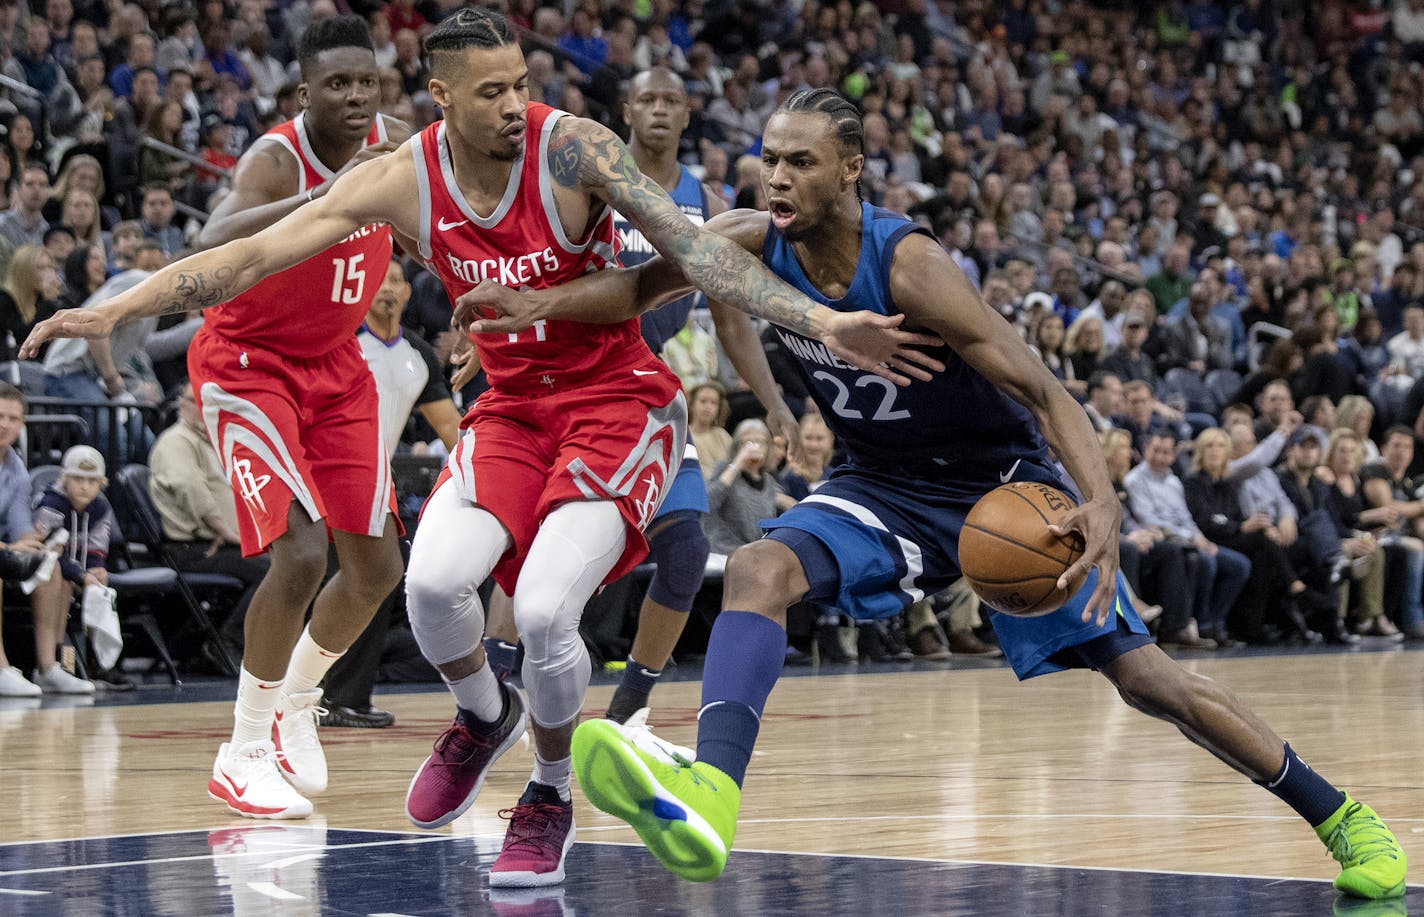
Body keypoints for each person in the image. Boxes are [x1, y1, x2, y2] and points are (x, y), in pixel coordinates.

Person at [21, 10, 928, 885]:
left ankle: (548, 792)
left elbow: (695, 250)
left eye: (519, 84)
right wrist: (119, 304)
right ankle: (480, 715)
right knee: (427, 583)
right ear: (440, 96)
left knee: (539, 614)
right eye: (489, 90)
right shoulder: (403, 177)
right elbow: (250, 257)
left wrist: (819, 320)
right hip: (511, 408)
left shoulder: (573, 146)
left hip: (615, 402)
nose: (511, 104)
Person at [464, 89, 1407, 899]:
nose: (777, 178)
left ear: (853, 170)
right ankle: (712, 794)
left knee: (1148, 680)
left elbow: (1043, 387)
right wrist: (535, 303)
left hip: (1002, 490)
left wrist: (1103, 499)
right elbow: (633, 291)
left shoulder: (911, 266)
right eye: (768, 160)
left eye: (801, 162)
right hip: (878, 484)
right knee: (757, 566)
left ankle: (1339, 816)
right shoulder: (748, 241)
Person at [34, 16, 412, 820]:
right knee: (302, 553)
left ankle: (297, 700)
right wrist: (327, 195)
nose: (353, 96)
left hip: (338, 368)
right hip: (251, 364)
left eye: (365, 82)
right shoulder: (276, 160)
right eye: (335, 84)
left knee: (379, 567)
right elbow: (212, 240)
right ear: (304, 92)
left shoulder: (398, 147)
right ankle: (240, 750)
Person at [480, 67, 800, 733]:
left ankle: (630, 705)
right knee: (528, 542)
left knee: (684, 548)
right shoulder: (579, 172)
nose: (658, 109)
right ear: (626, 106)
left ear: (688, 116)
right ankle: (491, 691)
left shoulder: (704, 199)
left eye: (671, 100)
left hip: (644, 390)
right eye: (647, 97)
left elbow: (733, 315)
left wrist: (772, 401)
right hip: (560, 379)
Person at [147, 382, 271, 664]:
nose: (187, 406)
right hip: (193, 549)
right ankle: (226, 643)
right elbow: (190, 489)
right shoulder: (177, 441)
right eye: (189, 400)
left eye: (203, 403)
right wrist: (224, 530)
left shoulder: (209, 443)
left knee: (291, 567)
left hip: (219, 543)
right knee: (273, 574)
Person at [30, 445, 117, 692]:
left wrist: (97, 569)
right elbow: (49, 551)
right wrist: (82, 575)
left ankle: (97, 663)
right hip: (46, 570)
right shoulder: (51, 503)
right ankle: (55, 664)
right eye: (78, 478)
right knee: (63, 580)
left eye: (92, 481)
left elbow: (97, 548)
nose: (84, 486)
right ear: (65, 479)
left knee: (101, 583)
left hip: (76, 571)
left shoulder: (100, 507)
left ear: (101, 483)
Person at [0, 384, 62, 697]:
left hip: (4, 552)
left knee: (51, 564)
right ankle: (1, 668)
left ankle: (49, 668)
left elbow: (19, 526)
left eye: (13, 418)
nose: (4, 424)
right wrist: (9, 549)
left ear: (22, 424)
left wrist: (35, 542)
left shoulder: (16, 469)